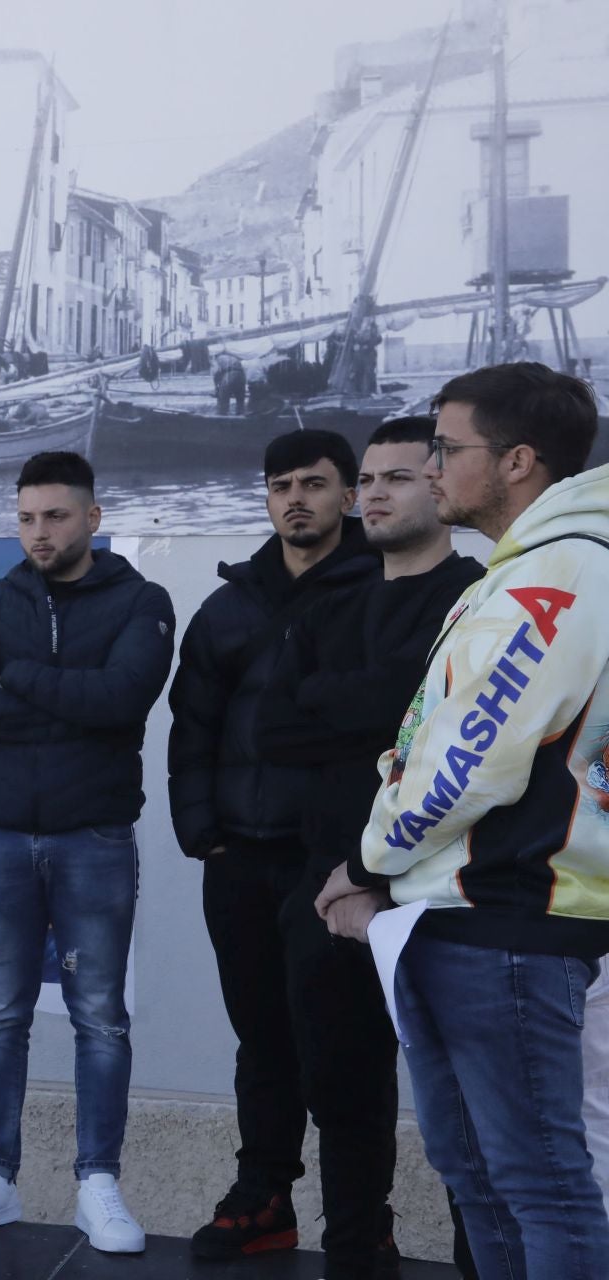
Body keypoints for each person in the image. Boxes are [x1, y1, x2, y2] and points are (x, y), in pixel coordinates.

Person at [316, 362, 609, 1278]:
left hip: (507, 923)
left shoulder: (560, 572)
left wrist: (366, 861)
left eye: (447, 448)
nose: (431, 465)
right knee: (475, 1177)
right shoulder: (525, 570)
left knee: (539, 1183)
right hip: (458, 917)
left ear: (519, 460)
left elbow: (471, 757)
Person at [254, 416, 486, 1280]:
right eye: (370, 479)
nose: (376, 493)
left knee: (467, 1117)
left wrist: (345, 705)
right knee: (342, 1101)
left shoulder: (480, 595)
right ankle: (355, 1256)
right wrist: (387, 706)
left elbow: (444, 729)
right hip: (323, 887)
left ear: (442, 486)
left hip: (441, 896)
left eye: (398, 476)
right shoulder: (331, 601)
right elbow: (274, 727)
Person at [0, 451, 175, 1255]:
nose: (41, 532)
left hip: (95, 839)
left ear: (93, 519)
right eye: (29, 517)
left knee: (100, 1019)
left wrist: (23, 679)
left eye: (57, 516)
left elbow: (122, 700)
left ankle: (98, 1183)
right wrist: (74, 701)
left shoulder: (142, 600)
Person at [167, 428, 377, 1261]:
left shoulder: (378, 593)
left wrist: (364, 859)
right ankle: (264, 1198)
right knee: (262, 1039)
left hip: (331, 868)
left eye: (315, 483)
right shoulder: (229, 606)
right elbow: (193, 730)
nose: (297, 497)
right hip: (239, 861)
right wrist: (203, 838)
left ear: (349, 495)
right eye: (281, 484)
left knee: (342, 1050)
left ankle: (363, 1225)